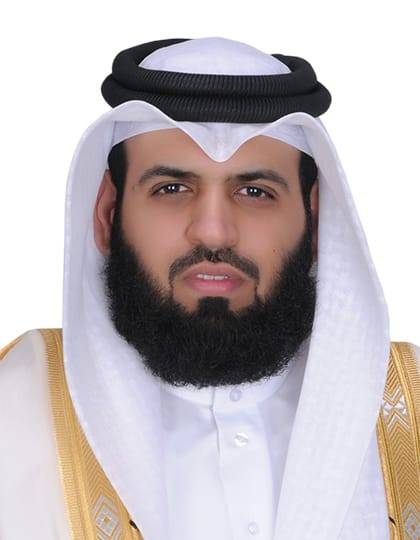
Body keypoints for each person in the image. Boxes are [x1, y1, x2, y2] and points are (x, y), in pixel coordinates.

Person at [0, 37, 419, 540]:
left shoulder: (411, 410)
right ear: (108, 214)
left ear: (315, 223)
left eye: (255, 191)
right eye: (171, 189)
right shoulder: (15, 410)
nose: (214, 232)